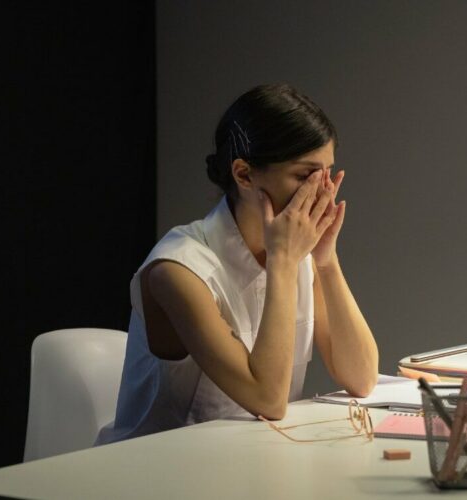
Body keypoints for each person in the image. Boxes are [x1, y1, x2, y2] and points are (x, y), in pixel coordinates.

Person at [97, 84, 378, 444]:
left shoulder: (298, 256)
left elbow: (362, 377)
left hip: (248, 464)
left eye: (327, 174)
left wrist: (326, 260)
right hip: (158, 476)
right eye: (305, 176)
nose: (321, 192)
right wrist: (282, 263)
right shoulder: (177, 269)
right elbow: (268, 400)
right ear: (244, 175)